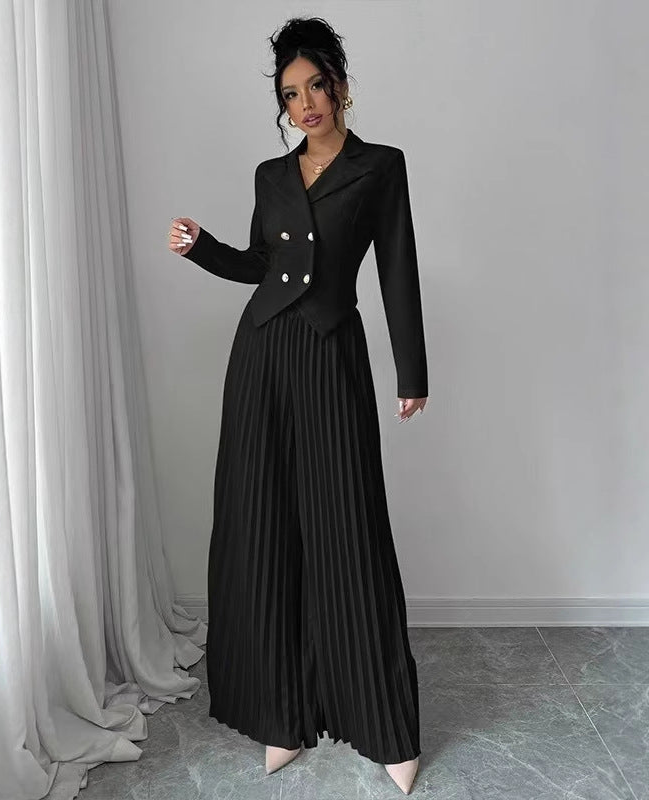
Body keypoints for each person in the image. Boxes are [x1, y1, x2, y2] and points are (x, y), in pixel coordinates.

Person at [167, 16, 428, 796]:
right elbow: (261, 264)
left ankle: (384, 726)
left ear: (340, 87)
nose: (306, 103)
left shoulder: (380, 167)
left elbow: (397, 270)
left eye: (316, 86)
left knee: (348, 529)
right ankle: (280, 713)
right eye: (291, 94)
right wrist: (202, 246)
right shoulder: (270, 175)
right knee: (264, 527)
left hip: (331, 355)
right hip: (261, 358)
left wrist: (411, 372)